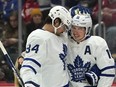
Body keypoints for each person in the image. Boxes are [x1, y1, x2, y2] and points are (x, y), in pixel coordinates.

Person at [20, 5, 72, 87]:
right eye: (64, 26)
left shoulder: (61, 35)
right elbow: (29, 67)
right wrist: (30, 84)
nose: (64, 30)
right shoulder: (39, 37)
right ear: (56, 22)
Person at [67, 14, 115, 87]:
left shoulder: (97, 43)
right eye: (74, 27)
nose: (75, 32)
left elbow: (108, 70)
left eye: (80, 28)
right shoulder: (64, 42)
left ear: (88, 29)